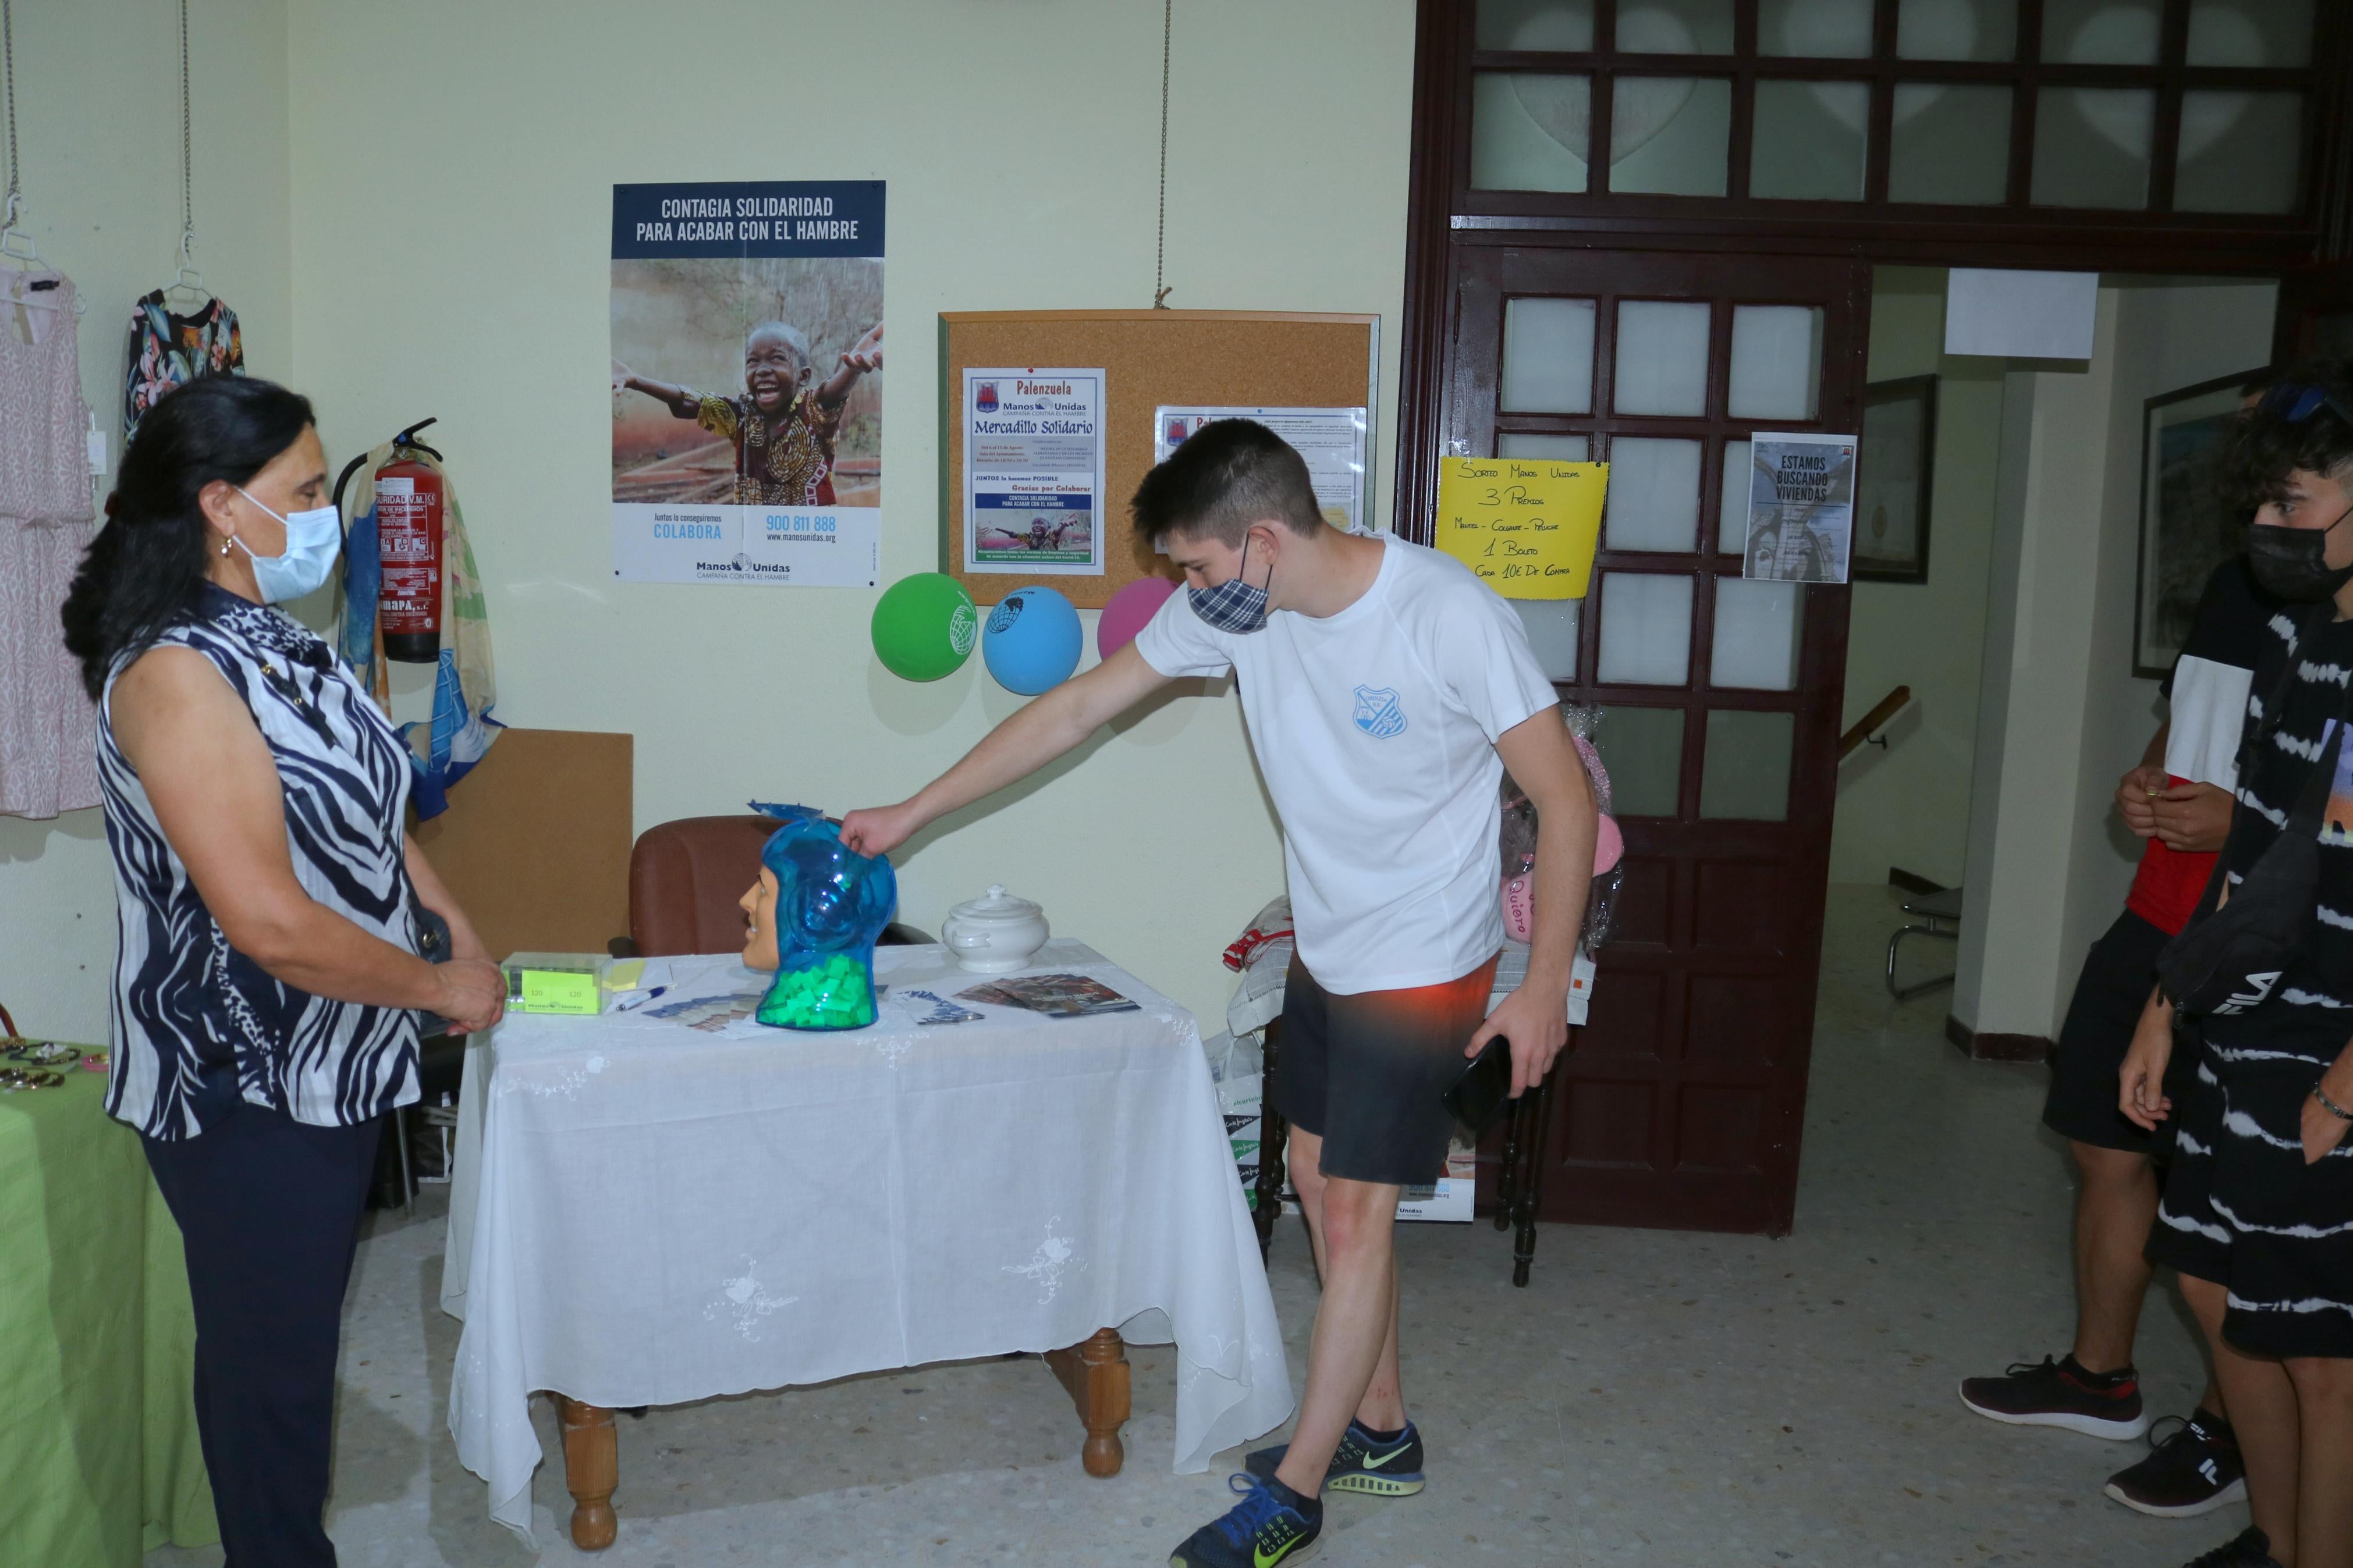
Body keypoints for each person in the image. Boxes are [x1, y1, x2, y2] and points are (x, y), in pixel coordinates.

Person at [841, 419, 1598, 1568]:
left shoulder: (1444, 613)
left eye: (1192, 566)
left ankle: (1294, 1491)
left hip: (1424, 957)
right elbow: (1076, 708)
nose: (1183, 592)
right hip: (1327, 941)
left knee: (1350, 1210)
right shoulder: (1236, 611)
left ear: (1258, 540)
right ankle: (1380, 1429)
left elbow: (1563, 800)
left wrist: (1539, 986)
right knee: (1308, 1172)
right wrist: (911, 812)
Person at [59, 376, 506, 1567]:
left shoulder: (280, 642)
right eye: (304, 489)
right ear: (220, 505)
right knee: (273, 1380)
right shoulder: (174, 675)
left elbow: (378, 819)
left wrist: (456, 931)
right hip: (242, 1081)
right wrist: (436, 992)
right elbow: (264, 921)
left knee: (296, 1350)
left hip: (341, 1055)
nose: (323, 510)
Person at [1960, 552, 2273, 1516]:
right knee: (2102, 1142)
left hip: (2264, 936)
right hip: (2157, 916)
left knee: (2232, 1203)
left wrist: (2245, 821)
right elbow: (2185, 727)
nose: (2267, 512)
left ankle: (2235, 1437)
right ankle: (2098, 1383)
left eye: (2291, 486)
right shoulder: (2233, 583)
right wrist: (2142, 787)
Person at [2122, 362, 2353, 1568]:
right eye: (2260, 503)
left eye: (2298, 501)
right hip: (2241, 1027)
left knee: (2321, 1356)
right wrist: (2167, 1001)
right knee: (2218, 1296)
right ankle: (2272, 1537)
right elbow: (2252, 856)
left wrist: (2340, 1086)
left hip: (2326, 1054)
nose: (2271, 529)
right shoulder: (2308, 644)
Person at [613, 317, 882, 506]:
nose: (762, 369)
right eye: (753, 361)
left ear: (803, 376)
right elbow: (689, 401)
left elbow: (831, 394)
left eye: (777, 358)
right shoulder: (743, 415)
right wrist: (637, 381)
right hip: (754, 538)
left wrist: (853, 368)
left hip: (809, 538)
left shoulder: (813, 410)